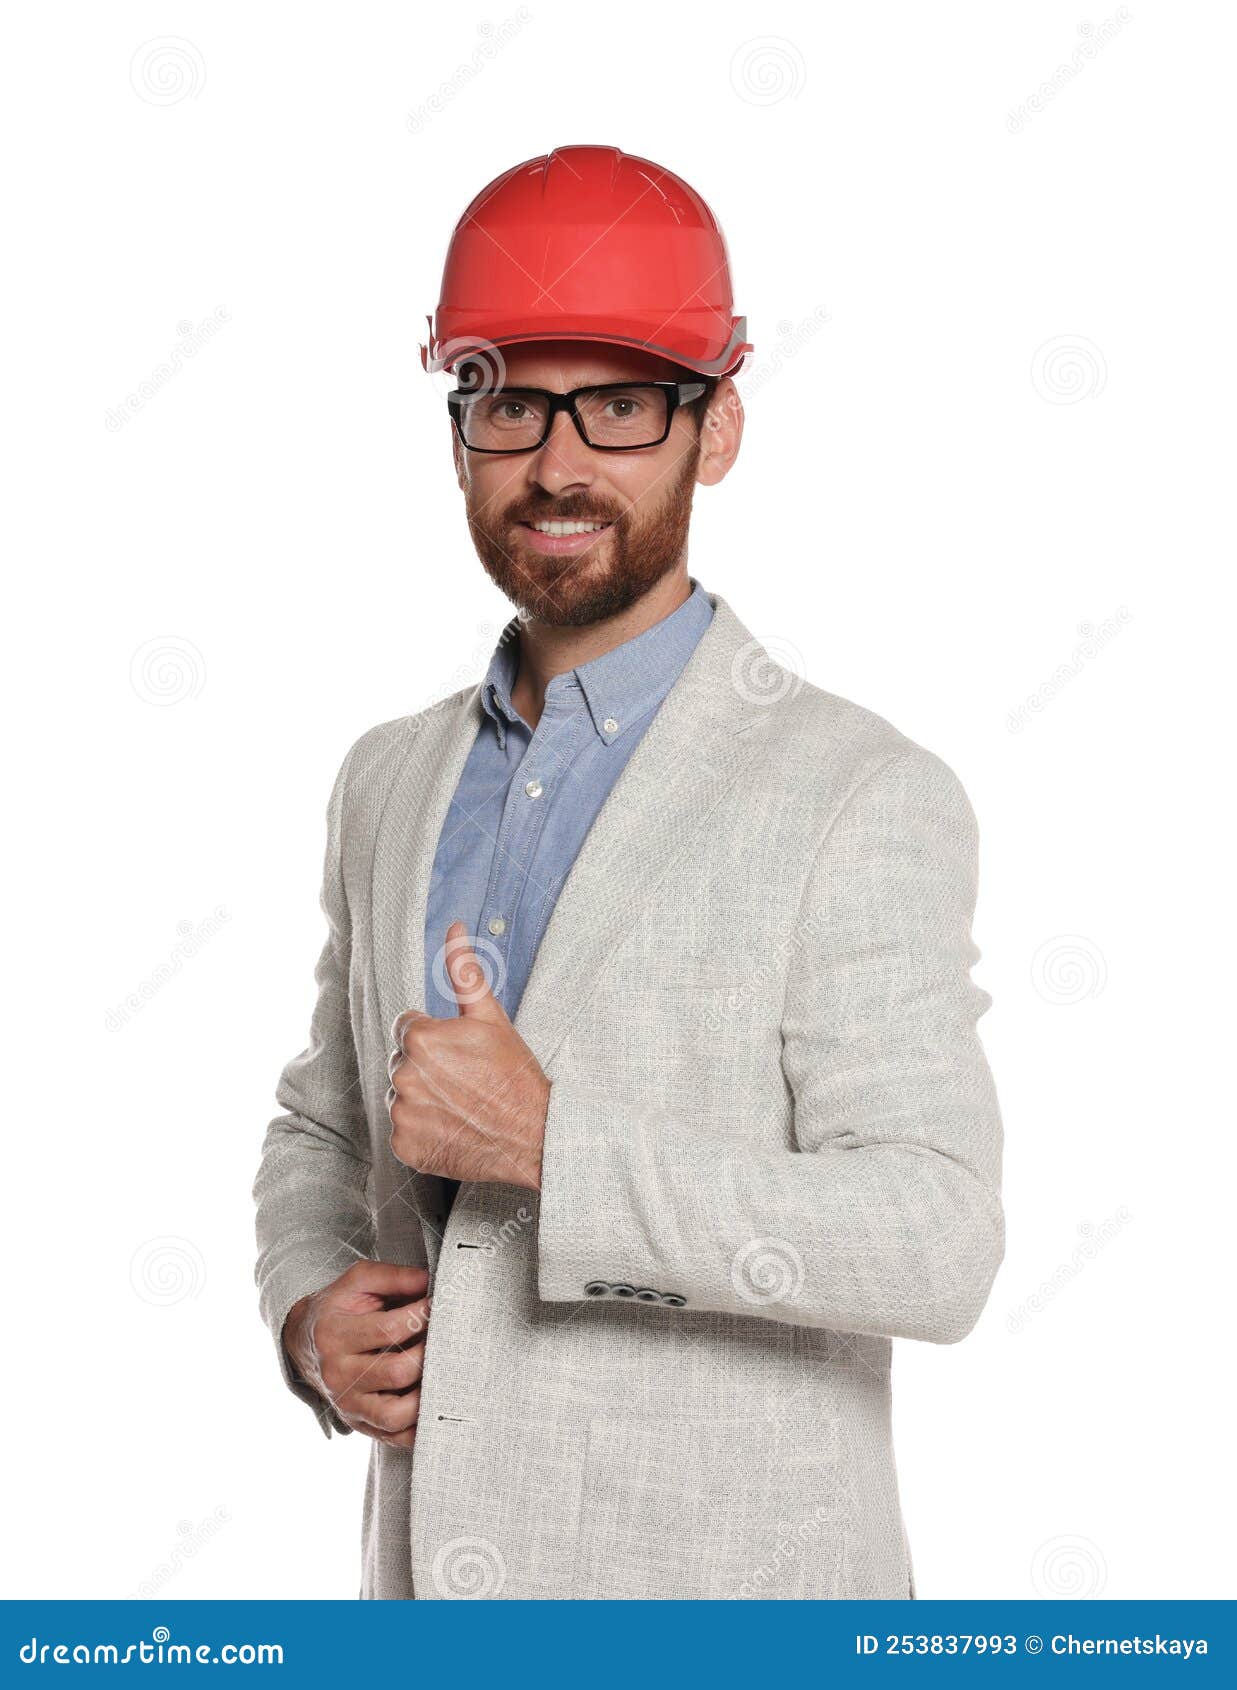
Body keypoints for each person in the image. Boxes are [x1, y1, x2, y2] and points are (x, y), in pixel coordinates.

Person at [252, 144, 1005, 1601]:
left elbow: (936, 1235)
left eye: (619, 404)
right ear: (457, 421)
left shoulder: (857, 792)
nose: (557, 462)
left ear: (713, 429)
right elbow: (319, 1123)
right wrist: (303, 1307)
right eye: (510, 400)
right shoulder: (386, 778)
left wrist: (555, 1148)